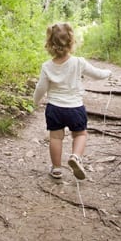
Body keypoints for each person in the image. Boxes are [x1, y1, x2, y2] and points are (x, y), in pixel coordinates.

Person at [33, 22, 112, 181]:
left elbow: (41, 88)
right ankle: (75, 157)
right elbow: (97, 74)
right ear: (71, 42)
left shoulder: (47, 66)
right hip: (75, 108)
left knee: (55, 137)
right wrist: (108, 72)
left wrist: (35, 101)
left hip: (55, 108)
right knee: (80, 134)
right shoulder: (78, 62)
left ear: (49, 44)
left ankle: (56, 169)